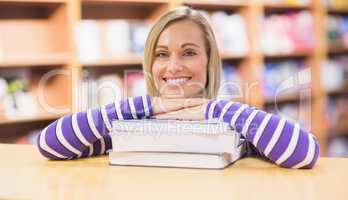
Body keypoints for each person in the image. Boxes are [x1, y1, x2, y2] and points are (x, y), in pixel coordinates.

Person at [37, 7, 319, 169]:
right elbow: (50, 144)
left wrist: (212, 107)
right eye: (161, 54)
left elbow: (305, 152)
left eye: (188, 52)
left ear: (210, 63)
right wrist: (148, 105)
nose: (172, 66)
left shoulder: (232, 125)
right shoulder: (131, 126)